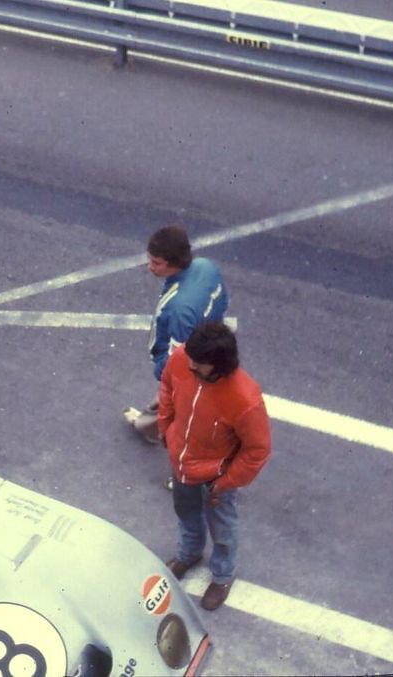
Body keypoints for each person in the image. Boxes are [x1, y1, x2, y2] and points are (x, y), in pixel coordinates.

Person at [158, 322, 271, 611]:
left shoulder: (245, 399)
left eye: (199, 363)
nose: (190, 365)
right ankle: (189, 554)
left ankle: (222, 575)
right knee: (186, 513)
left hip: (216, 478)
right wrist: (166, 428)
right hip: (181, 463)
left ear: (219, 364)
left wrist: (225, 482)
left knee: (222, 527)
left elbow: (257, 450)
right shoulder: (184, 358)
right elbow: (167, 388)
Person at [128, 225, 228, 447]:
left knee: (172, 398)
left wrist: (160, 371)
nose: (150, 267)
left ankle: (154, 430)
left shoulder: (179, 310)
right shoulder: (206, 267)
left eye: (156, 262)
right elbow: (222, 302)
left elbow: (176, 362)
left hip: (194, 356)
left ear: (174, 262)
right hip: (212, 340)